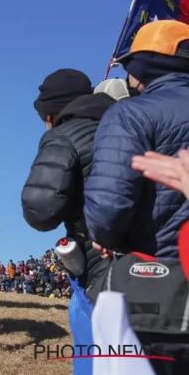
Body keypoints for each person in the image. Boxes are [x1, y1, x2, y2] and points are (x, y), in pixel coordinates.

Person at [84, 20, 189, 375]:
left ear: (143, 67)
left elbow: (108, 210)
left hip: (155, 294)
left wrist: (106, 237)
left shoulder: (130, 113)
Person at [21, 68, 117, 290]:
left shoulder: (61, 137)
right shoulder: (128, 124)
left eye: (42, 116)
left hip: (97, 255)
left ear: (52, 114)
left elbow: (41, 212)